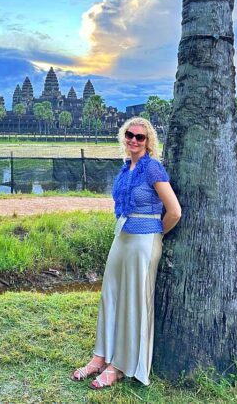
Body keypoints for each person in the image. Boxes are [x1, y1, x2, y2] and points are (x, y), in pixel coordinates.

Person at [71, 117, 181, 389]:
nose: (133, 140)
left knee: (134, 302)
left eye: (140, 137)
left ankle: (120, 366)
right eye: (130, 135)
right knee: (110, 295)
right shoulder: (125, 167)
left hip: (144, 241)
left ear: (148, 141)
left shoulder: (152, 168)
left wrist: (156, 233)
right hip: (122, 237)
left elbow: (175, 211)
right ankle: (100, 356)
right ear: (124, 136)